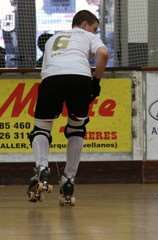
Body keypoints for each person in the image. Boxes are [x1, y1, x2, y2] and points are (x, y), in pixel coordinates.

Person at [27, 10, 108, 205]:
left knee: (41, 128)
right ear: (84, 24)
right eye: (94, 28)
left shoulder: (52, 39)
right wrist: (96, 80)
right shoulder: (88, 36)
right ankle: (69, 180)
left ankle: (42, 167)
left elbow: (44, 69)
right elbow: (104, 54)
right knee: (76, 129)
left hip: (51, 78)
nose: (95, 31)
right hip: (80, 78)